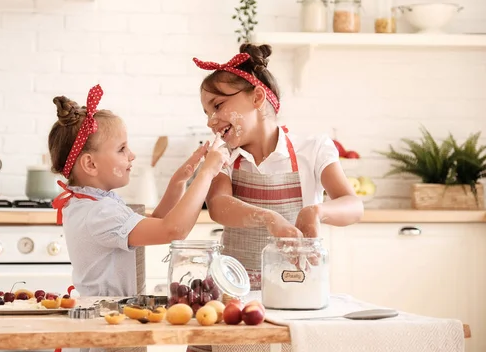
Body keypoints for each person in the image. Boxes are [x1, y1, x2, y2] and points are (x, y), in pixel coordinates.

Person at [191, 44, 364, 352]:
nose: (210, 121)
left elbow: (353, 205)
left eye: (217, 106)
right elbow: (218, 206)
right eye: (206, 112)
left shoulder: (313, 149)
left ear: (257, 97)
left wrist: (315, 211)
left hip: (297, 299)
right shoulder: (222, 155)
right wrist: (270, 218)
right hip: (236, 301)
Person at [48, 85, 228, 352]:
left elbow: (156, 222)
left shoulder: (94, 203)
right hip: (107, 331)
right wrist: (207, 174)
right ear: (90, 164)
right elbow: (172, 230)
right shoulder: (99, 213)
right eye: (122, 148)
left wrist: (180, 180)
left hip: (110, 321)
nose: (131, 155)